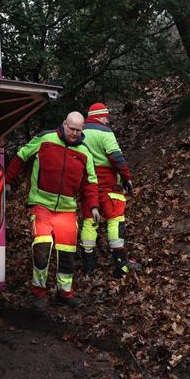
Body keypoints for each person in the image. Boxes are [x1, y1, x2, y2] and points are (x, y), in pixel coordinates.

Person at [6, 112, 100, 310]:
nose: (74, 133)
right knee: (42, 247)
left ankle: (64, 292)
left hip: (67, 209)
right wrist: (6, 180)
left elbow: (90, 183)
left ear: (82, 129)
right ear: (64, 124)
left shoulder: (85, 152)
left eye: (78, 130)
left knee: (67, 253)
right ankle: (38, 291)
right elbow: (21, 156)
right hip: (41, 205)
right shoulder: (45, 139)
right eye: (71, 128)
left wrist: (93, 206)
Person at [78, 102, 134, 276]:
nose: (107, 120)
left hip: (86, 184)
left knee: (89, 220)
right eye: (106, 117)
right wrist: (126, 178)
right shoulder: (104, 132)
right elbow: (116, 157)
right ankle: (121, 266)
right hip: (108, 183)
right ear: (100, 116)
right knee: (115, 218)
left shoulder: (78, 131)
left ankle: (89, 266)